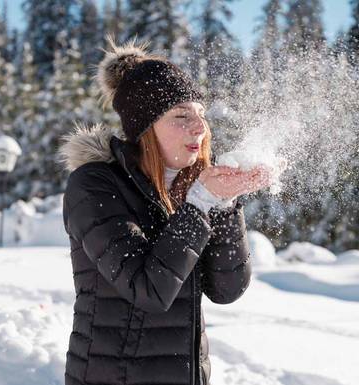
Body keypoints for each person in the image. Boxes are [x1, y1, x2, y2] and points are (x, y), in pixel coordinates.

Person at [58, 37, 273, 385]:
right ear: (146, 128)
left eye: (201, 115)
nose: (199, 128)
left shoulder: (194, 188)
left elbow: (227, 289)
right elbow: (148, 289)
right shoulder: (94, 185)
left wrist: (224, 204)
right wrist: (202, 203)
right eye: (181, 116)